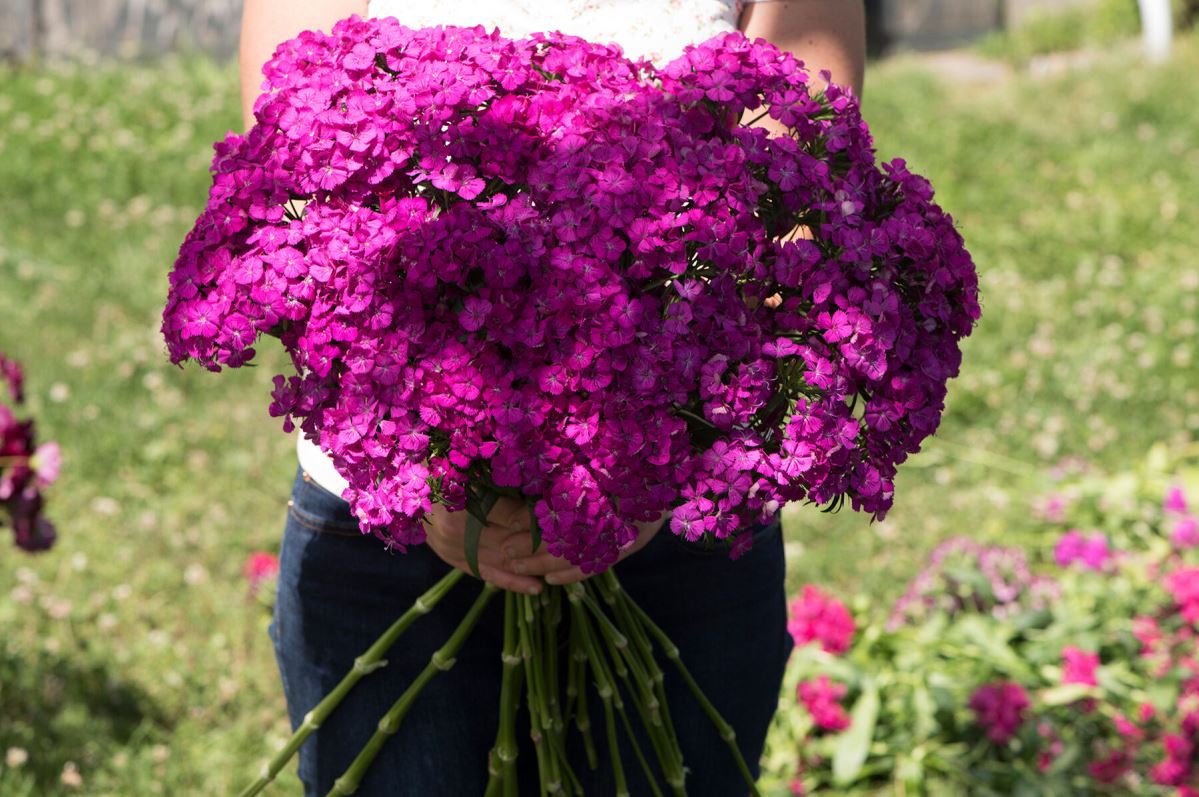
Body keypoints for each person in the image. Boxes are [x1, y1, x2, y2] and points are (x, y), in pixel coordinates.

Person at [239, 1, 865, 794]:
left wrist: (632, 483)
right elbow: (290, 148)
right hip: (387, 521)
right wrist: (422, 470)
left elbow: (804, 153)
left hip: (674, 515)